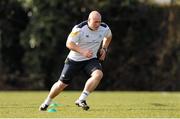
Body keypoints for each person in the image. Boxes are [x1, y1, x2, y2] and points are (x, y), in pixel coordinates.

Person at [39, 10, 112, 111]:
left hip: (91, 59)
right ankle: (47, 101)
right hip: (74, 60)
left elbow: (109, 36)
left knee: (98, 75)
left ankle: (82, 99)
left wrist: (104, 48)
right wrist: (83, 52)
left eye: (99, 21)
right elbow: (69, 43)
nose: (98, 24)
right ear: (88, 20)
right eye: (95, 22)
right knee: (61, 84)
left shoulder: (104, 28)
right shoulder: (79, 29)